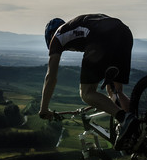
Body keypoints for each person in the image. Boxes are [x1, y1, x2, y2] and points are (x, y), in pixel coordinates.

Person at [39, 13, 138, 150]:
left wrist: (44, 109)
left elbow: (51, 76)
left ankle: (124, 119)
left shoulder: (56, 37)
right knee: (115, 90)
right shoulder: (75, 27)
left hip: (101, 36)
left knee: (86, 93)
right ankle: (136, 132)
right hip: (123, 32)